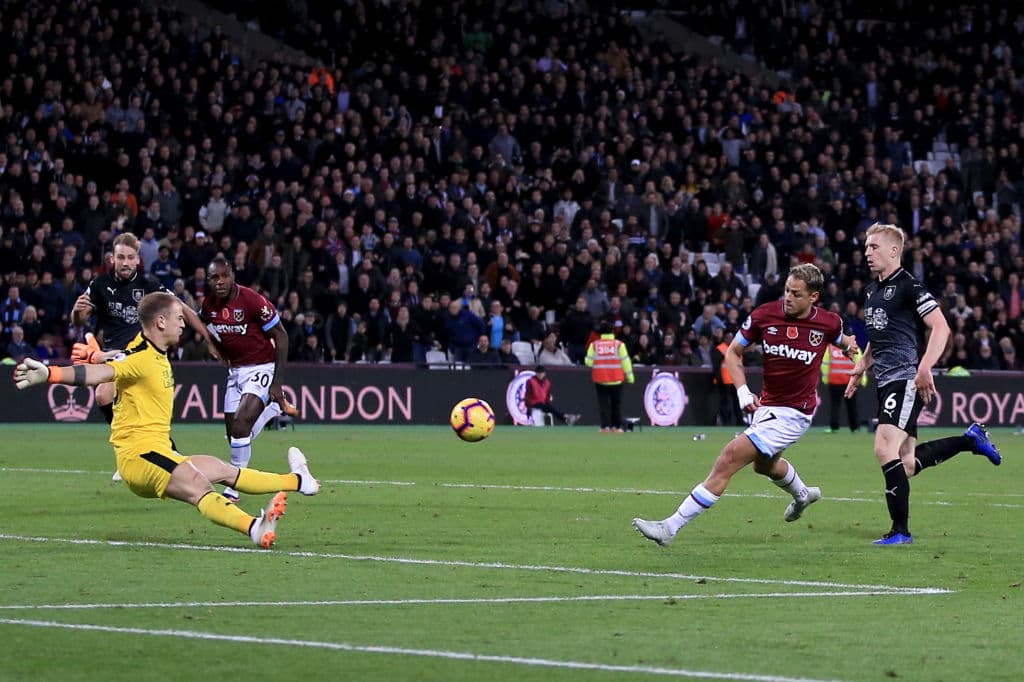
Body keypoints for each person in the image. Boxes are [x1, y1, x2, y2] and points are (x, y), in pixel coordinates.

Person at [14, 292, 320, 549]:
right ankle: (254, 527)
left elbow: (115, 363)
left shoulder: (147, 351)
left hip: (159, 451)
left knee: (223, 469)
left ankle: (298, 480)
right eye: (178, 318)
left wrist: (101, 355)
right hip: (140, 457)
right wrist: (51, 373)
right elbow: (98, 375)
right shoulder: (142, 358)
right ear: (161, 322)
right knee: (199, 486)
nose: (183, 323)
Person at [632, 264, 860, 546]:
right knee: (764, 466)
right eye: (787, 290)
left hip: (795, 413)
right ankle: (803, 494)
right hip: (767, 407)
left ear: (813, 297)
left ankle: (670, 527)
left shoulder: (828, 322)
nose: (788, 297)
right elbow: (733, 352)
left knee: (728, 458)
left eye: (796, 294)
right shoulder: (764, 315)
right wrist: (742, 391)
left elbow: (843, 341)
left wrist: (852, 351)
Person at [845, 224, 1001, 546]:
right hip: (886, 381)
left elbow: (941, 327)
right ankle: (970, 440)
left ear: (894, 251)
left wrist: (925, 366)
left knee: (883, 448)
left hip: (905, 379)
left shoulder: (910, 286)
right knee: (905, 464)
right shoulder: (872, 290)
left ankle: (900, 531)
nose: (867, 253)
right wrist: (863, 363)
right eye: (866, 247)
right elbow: (880, 333)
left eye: (874, 247)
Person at [71, 233, 212, 481]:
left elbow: (181, 308)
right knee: (104, 395)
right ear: (112, 259)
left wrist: (208, 337)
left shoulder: (149, 286)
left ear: (138, 259)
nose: (125, 262)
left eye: (130, 257)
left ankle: (166, 455)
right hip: (116, 359)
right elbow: (80, 320)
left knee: (135, 409)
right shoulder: (100, 284)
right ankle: (140, 453)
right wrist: (76, 312)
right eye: (120, 257)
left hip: (143, 356)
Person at [200, 257, 300, 502]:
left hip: (261, 367)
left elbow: (281, 336)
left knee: (241, 426)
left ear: (233, 275)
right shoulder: (209, 305)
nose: (220, 281)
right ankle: (270, 411)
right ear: (208, 280)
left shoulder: (252, 300)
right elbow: (204, 324)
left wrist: (277, 382)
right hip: (235, 371)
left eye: (224, 276)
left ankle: (234, 487)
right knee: (234, 436)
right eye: (214, 277)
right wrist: (212, 345)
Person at [584, 321, 634, 432]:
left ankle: (605, 427)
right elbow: (625, 362)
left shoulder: (594, 345)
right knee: (616, 405)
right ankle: (616, 427)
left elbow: (588, 362)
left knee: (603, 405)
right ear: (612, 332)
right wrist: (630, 377)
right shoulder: (619, 345)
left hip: (600, 380)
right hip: (617, 380)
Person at [821, 342, 863, 432]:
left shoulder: (830, 348)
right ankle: (854, 427)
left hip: (834, 380)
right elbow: (861, 364)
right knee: (852, 406)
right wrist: (862, 380)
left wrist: (825, 378)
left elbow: (825, 364)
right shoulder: (854, 347)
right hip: (850, 381)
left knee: (835, 405)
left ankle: (834, 427)